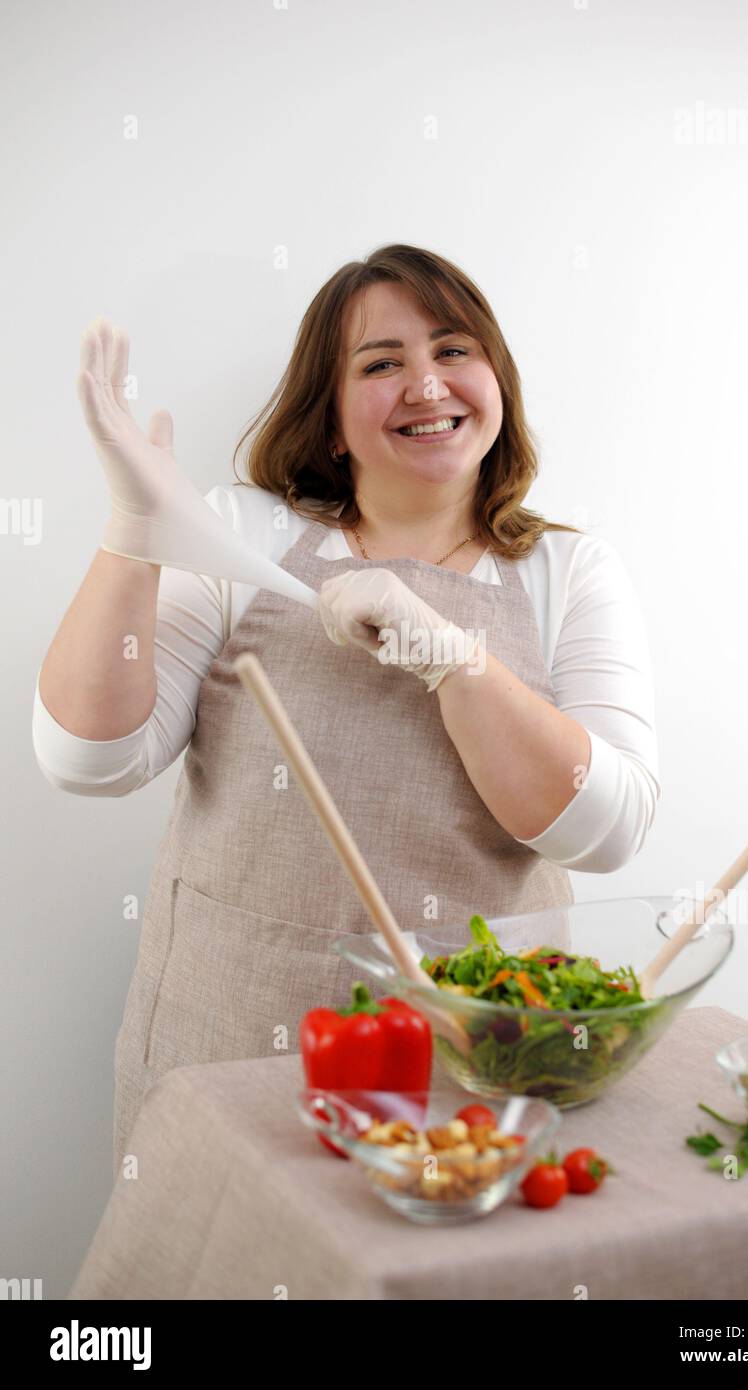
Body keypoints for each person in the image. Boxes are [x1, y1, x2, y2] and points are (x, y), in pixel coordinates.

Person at [33, 244, 660, 1176]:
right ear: (329, 422)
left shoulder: (567, 573)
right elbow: (90, 760)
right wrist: (136, 531)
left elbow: (604, 832)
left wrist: (448, 656)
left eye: (453, 350)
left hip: (470, 1054)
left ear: (496, 382)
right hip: (230, 1034)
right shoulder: (243, 534)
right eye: (379, 364)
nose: (425, 384)